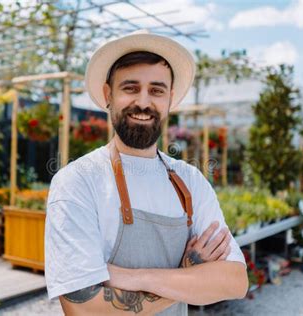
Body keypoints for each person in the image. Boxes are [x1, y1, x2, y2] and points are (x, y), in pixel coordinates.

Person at [45, 30, 248, 315]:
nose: (143, 102)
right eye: (130, 88)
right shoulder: (78, 182)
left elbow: (235, 281)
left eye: (156, 90)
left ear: (170, 99)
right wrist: (188, 275)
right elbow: (84, 309)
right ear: (108, 95)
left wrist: (133, 277)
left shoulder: (190, 182)